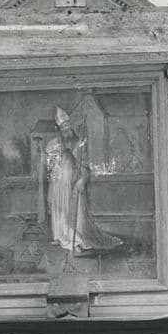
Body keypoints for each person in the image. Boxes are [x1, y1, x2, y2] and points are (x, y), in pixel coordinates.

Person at [45, 107, 122, 253]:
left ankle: (74, 239)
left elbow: (85, 164)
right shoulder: (56, 143)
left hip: (71, 183)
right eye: (63, 127)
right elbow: (51, 162)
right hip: (57, 184)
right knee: (59, 209)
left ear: (70, 126)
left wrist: (82, 180)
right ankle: (60, 236)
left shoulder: (78, 142)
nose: (66, 129)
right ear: (60, 129)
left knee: (71, 210)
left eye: (67, 126)